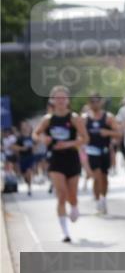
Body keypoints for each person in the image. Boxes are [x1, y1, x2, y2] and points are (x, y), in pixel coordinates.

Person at [33, 86, 88, 242]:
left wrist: (69, 143)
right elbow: (35, 134)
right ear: (52, 100)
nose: (61, 101)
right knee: (61, 194)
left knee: (72, 195)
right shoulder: (48, 119)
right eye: (57, 98)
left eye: (63, 98)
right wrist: (42, 139)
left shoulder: (74, 118)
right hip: (56, 160)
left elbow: (85, 138)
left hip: (72, 159)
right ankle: (65, 232)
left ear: (68, 100)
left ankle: (75, 206)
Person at [83, 95, 121, 216]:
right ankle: (98, 200)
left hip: (105, 151)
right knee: (97, 176)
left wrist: (108, 132)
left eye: (97, 101)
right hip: (91, 151)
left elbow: (119, 133)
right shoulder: (84, 118)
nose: (94, 104)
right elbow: (79, 136)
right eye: (92, 101)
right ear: (89, 103)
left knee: (104, 178)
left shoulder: (108, 117)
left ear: (101, 102)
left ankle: (103, 199)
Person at [13, 121, 37, 196]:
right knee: (24, 174)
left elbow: (36, 145)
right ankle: (27, 181)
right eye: (24, 126)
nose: (25, 128)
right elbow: (13, 146)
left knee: (29, 171)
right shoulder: (19, 138)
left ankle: (29, 188)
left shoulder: (32, 137)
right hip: (22, 157)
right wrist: (22, 148)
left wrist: (34, 148)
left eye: (26, 126)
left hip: (30, 157)